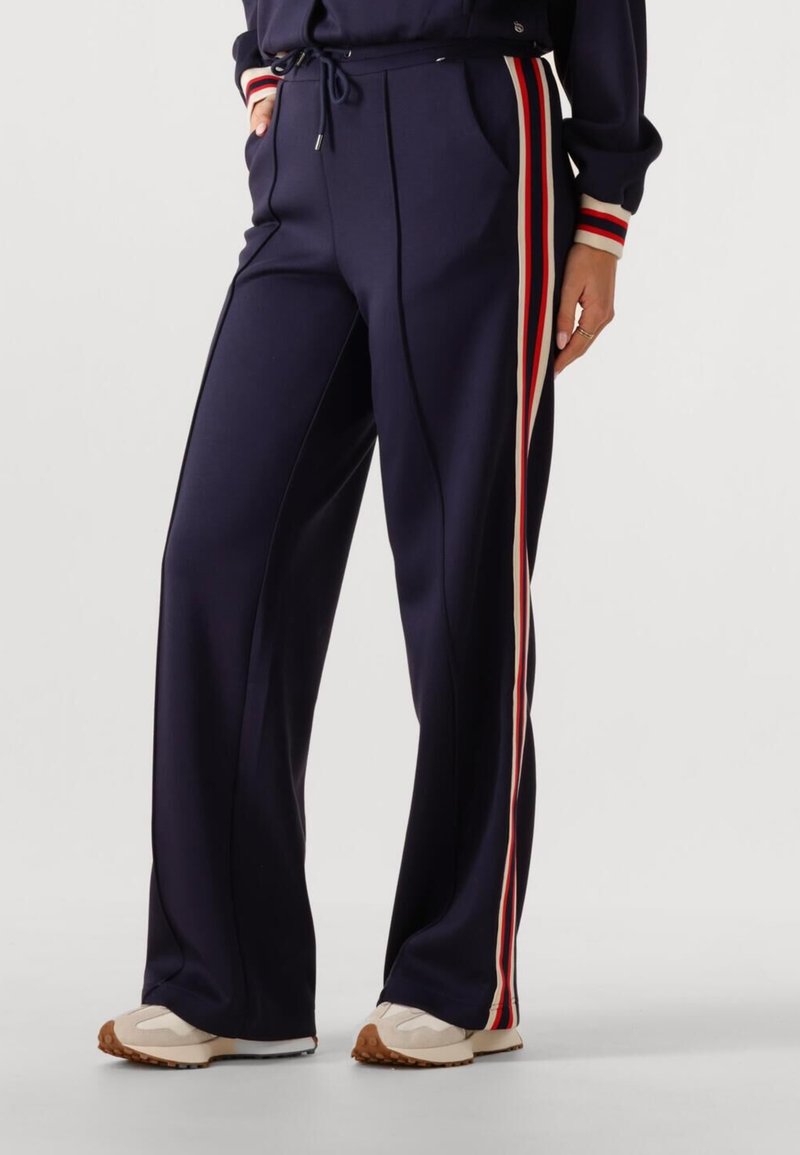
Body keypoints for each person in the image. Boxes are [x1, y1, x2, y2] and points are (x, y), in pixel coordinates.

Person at [98, 0, 661, 1070]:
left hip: (468, 123)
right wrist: (263, 68)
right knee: (218, 554)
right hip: (306, 140)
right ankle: (230, 981)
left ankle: (458, 978)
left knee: (460, 564)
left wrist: (603, 212)